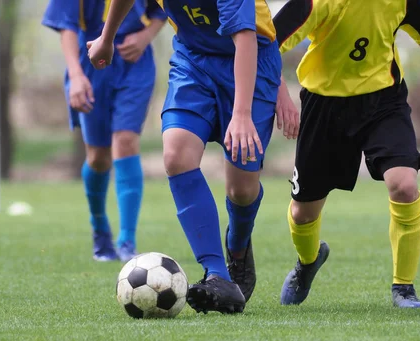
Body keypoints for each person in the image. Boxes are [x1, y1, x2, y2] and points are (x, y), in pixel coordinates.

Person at [86, 0, 299, 314]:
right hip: (193, 61)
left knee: (241, 189)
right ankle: (218, 275)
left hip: (249, 60)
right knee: (175, 155)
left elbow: (244, 37)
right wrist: (106, 38)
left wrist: (241, 114)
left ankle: (237, 248)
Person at [272, 0, 420, 308]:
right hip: (325, 104)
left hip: (383, 100)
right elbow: (266, 41)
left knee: (405, 185)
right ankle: (307, 262)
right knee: (302, 212)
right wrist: (280, 93)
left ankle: (404, 288)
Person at [42, 0, 167, 262]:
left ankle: (127, 241)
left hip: (134, 62)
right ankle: (100, 228)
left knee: (126, 141)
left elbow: (162, 9)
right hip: (90, 60)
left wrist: (145, 37)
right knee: (98, 157)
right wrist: (76, 76)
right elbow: (67, 25)